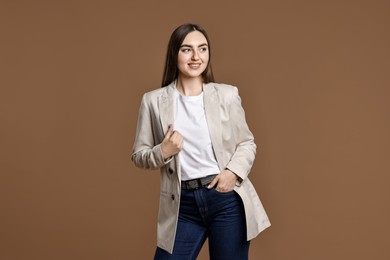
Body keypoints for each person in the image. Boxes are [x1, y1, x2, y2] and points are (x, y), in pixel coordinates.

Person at [131, 23, 270, 260]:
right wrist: (163, 151)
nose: (196, 56)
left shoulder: (226, 94)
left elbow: (247, 143)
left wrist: (232, 173)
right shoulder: (153, 101)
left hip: (225, 201)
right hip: (181, 206)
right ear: (174, 53)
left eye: (203, 49)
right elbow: (139, 155)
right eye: (187, 49)